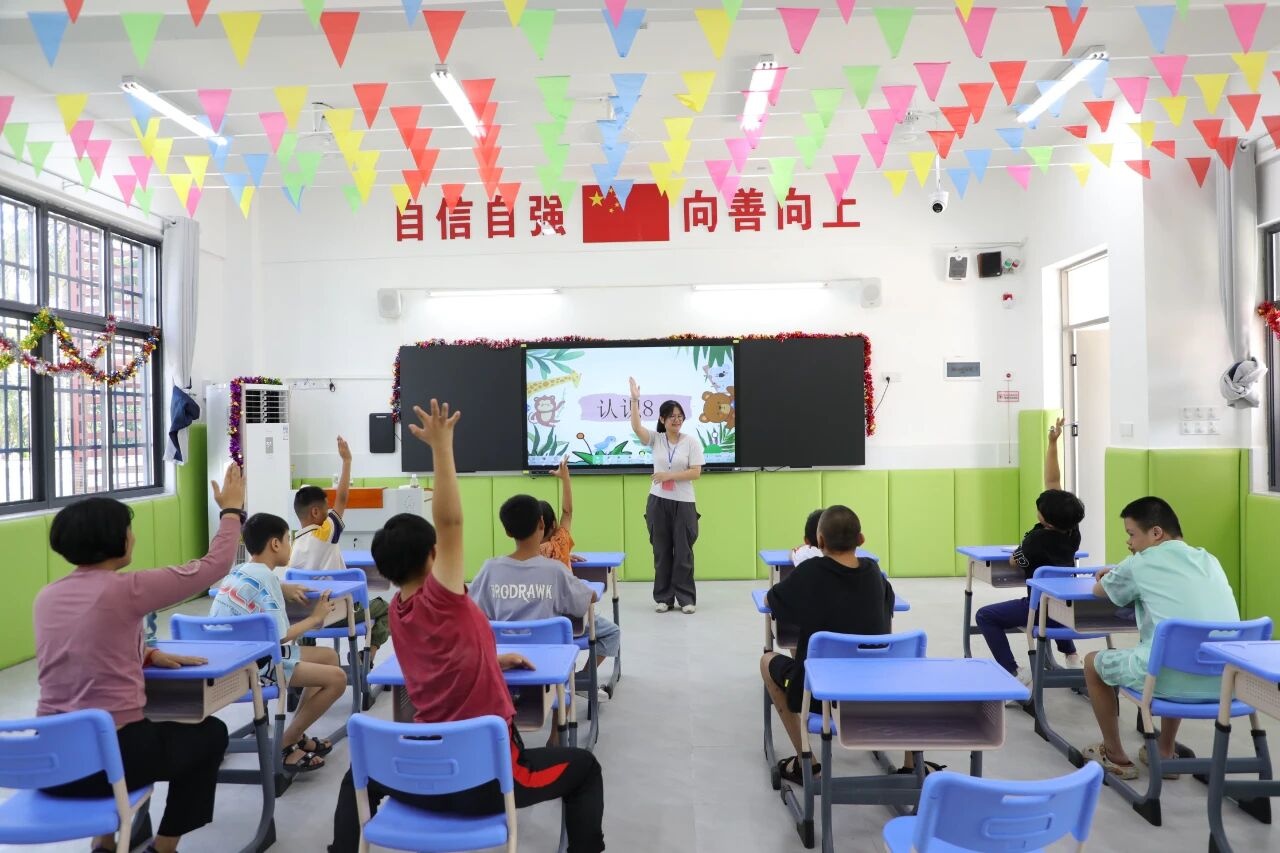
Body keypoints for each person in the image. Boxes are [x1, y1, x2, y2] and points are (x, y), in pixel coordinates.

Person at [329, 400, 605, 853]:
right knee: (586, 769)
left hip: (418, 775)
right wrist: (442, 448)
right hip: (484, 779)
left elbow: (440, 658)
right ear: (432, 556)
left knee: (354, 777)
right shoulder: (444, 599)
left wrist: (490, 659)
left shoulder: (397, 612)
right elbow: (450, 520)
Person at [34, 465, 245, 853]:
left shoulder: (46, 597)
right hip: (108, 762)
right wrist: (231, 511)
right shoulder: (127, 589)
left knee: (144, 732)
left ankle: (105, 843)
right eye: (129, 529)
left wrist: (146, 653)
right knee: (210, 735)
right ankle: (163, 847)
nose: (133, 536)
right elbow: (214, 567)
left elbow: (78, 648)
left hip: (51, 763)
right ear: (115, 539)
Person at [1082, 497, 1240, 781]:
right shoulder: (1210, 560)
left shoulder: (1140, 562)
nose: (1129, 543)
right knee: (1181, 649)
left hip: (1164, 680)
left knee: (1092, 663)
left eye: (1131, 534)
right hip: (1227, 682)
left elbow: (1099, 591)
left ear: (1156, 533)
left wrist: (1109, 575)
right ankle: (1165, 750)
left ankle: (1114, 754)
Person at [759, 505, 894, 785]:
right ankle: (911, 767)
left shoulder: (810, 572)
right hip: (876, 690)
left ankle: (806, 762)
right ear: (861, 539)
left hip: (820, 695)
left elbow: (771, 601)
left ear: (819, 541)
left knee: (767, 660)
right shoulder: (874, 573)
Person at [210, 513, 348, 773]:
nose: (289, 546)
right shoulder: (268, 579)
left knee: (329, 657)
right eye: (287, 540)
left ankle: (296, 733)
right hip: (254, 666)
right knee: (338, 679)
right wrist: (316, 618)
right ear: (275, 544)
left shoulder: (238, 571)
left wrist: (282, 587)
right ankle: (285, 743)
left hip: (233, 658)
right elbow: (282, 636)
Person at [975, 417, 1085, 687]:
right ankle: (1072, 656)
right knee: (1057, 601)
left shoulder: (1036, 540)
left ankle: (1014, 672)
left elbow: (1016, 562)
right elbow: (1053, 480)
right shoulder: (1072, 531)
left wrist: (1017, 552)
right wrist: (1052, 443)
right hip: (1066, 609)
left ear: (1045, 519)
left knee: (985, 616)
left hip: (1040, 610)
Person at [473, 493, 622, 687]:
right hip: (550, 664)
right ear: (542, 523)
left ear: (507, 531)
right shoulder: (556, 571)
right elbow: (587, 600)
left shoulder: (489, 570)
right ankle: (577, 687)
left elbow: (472, 612)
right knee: (607, 631)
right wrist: (587, 589)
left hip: (504, 659)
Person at [288, 436, 390, 665]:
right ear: (315, 512)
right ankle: (367, 656)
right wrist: (347, 461)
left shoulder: (295, 543)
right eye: (326, 508)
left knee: (308, 604)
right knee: (386, 608)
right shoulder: (323, 532)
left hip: (306, 619)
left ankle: (308, 664)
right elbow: (343, 499)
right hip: (339, 614)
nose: (330, 511)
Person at [628, 376, 703, 613]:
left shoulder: (690, 442)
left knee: (683, 553)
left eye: (680, 416)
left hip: (684, 503)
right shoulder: (657, 439)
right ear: (662, 419)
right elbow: (636, 427)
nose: (676, 420)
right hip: (658, 502)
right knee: (661, 552)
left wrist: (668, 476)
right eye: (672, 416)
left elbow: (696, 472)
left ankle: (686, 599)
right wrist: (635, 400)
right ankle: (664, 598)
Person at [539, 456, 586, 568]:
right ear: (553, 524)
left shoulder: (528, 554)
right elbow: (567, 512)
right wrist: (565, 478)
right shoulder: (560, 544)